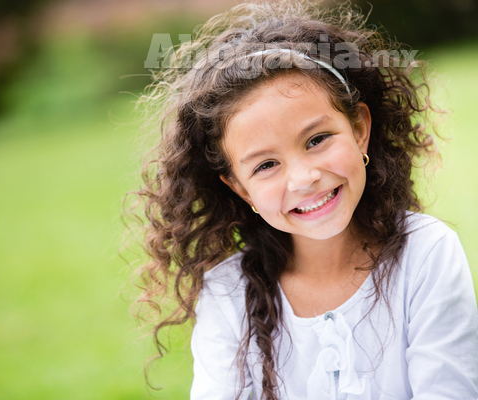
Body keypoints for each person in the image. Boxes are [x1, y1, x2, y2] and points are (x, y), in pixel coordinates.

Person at [126, 1, 478, 399]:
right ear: (240, 188)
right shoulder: (227, 293)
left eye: (317, 140)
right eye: (266, 165)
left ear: (359, 128)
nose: (304, 178)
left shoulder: (425, 253)